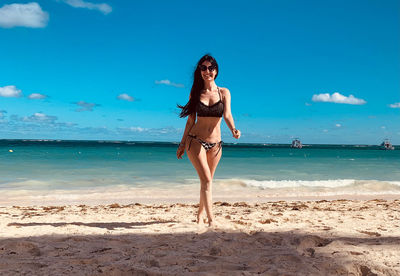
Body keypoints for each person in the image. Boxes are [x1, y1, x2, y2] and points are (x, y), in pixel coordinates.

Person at [176, 54, 241, 227]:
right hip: (195, 141)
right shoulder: (195, 93)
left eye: (210, 68)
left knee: (207, 182)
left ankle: (199, 215)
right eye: (203, 68)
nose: (207, 71)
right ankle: (211, 221)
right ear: (199, 71)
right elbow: (190, 121)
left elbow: (227, 115)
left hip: (216, 145)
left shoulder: (224, 92)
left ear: (216, 71)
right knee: (206, 180)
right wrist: (182, 144)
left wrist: (234, 129)